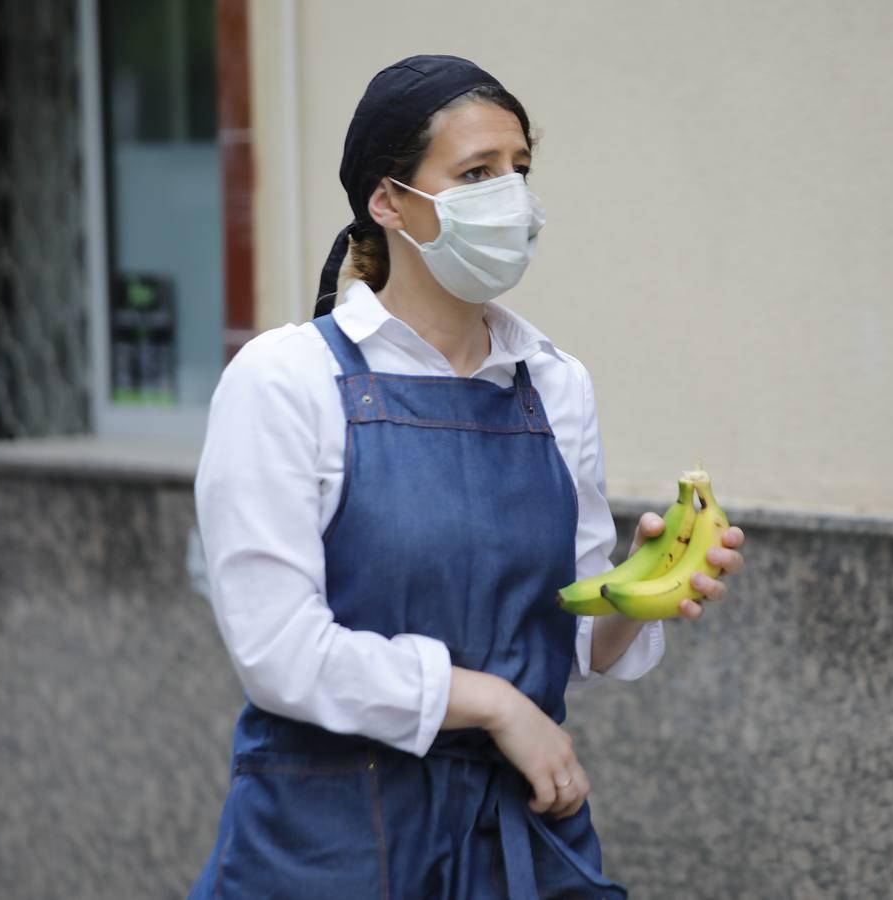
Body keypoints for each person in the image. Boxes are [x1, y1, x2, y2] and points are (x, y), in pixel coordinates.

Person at [187, 54, 745, 900]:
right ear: (389, 201)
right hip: (333, 841)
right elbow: (277, 651)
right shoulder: (285, 379)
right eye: (476, 173)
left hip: (515, 834)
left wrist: (644, 591)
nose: (510, 199)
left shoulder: (555, 383)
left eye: (519, 171)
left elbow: (573, 639)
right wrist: (491, 703)